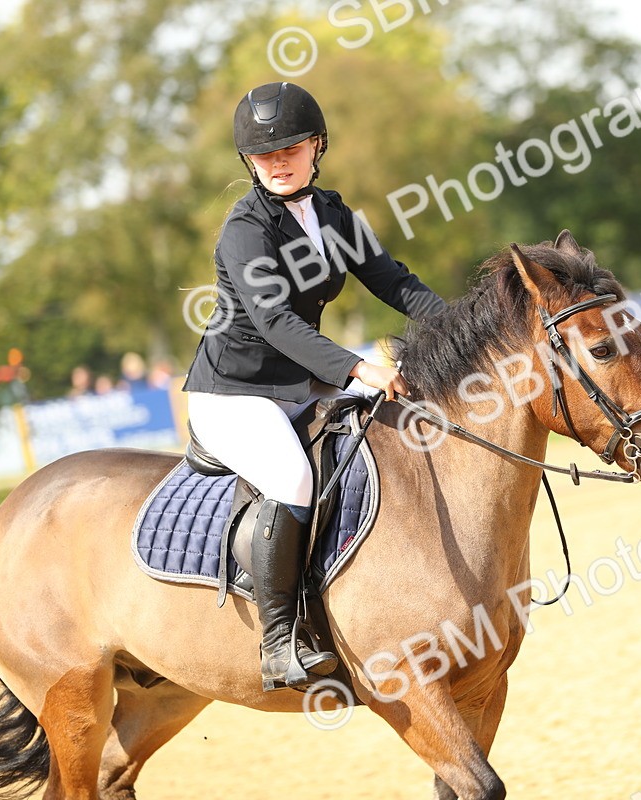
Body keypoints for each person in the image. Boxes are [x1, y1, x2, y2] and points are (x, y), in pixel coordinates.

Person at [182, 82, 447, 691]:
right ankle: (278, 642)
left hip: (300, 383)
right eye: (264, 155)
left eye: (290, 148)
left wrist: (466, 330)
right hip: (234, 395)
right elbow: (276, 323)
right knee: (293, 477)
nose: (278, 162)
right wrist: (360, 368)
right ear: (248, 162)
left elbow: (393, 282)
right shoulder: (245, 232)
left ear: (316, 145)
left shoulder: (332, 213)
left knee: (392, 434)